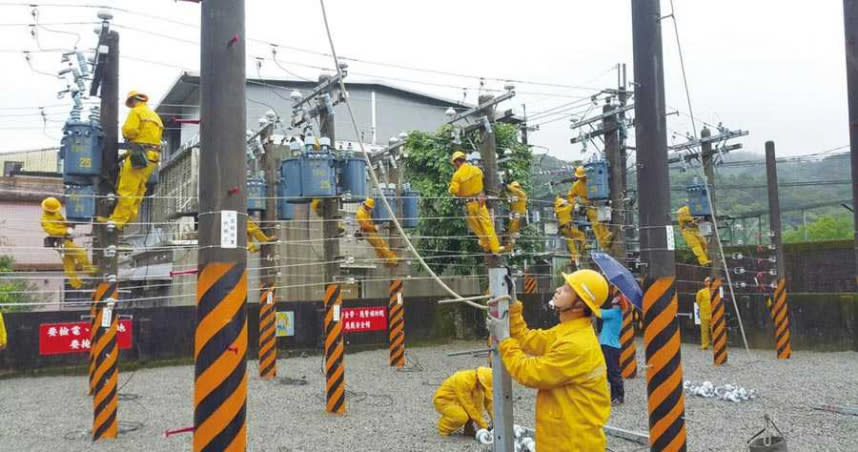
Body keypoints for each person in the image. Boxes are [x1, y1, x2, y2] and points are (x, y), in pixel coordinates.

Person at [486, 269, 611, 451]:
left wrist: (504, 339)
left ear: (579, 305)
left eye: (568, 289)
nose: (559, 289)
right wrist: (512, 304)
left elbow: (529, 373)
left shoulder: (576, 344)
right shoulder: (568, 331)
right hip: (561, 439)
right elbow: (527, 339)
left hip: (573, 444)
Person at [99, 91, 164, 230]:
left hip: (138, 155)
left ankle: (117, 220)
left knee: (127, 189)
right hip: (153, 157)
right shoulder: (155, 116)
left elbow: (130, 131)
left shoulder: (136, 112)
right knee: (139, 189)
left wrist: (125, 134)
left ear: (134, 100)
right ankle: (128, 218)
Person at [448, 151, 502, 254]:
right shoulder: (476, 170)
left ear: (457, 162)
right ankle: (495, 248)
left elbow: (454, 190)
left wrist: (452, 189)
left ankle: (486, 246)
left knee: (477, 228)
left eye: (454, 163)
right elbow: (482, 180)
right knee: (487, 225)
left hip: (469, 204)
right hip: (480, 202)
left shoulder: (457, 175)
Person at [40, 197, 94, 289]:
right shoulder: (44, 219)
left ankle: (76, 284)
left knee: (69, 264)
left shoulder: (56, 213)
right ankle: (91, 273)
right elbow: (52, 231)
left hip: (64, 240)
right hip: (60, 241)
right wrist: (66, 231)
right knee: (81, 254)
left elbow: (62, 222)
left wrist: (69, 224)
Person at [433, 366, 493, 437]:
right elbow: (469, 406)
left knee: (478, 401)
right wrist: (485, 426)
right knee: (460, 417)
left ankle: (469, 429)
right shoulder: (463, 380)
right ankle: (443, 429)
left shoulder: (480, 384)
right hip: (445, 401)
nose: (484, 388)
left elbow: (490, 404)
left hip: (460, 401)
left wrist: (496, 422)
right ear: (479, 380)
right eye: (483, 386)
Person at [567, 166, 612, 250]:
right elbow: (570, 196)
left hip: (600, 203)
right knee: (596, 224)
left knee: (603, 222)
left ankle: (606, 238)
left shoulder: (593, 181)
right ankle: (604, 244)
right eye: (581, 177)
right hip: (589, 206)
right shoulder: (577, 185)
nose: (583, 178)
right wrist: (575, 204)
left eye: (583, 177)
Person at [355, 198, 399, 267]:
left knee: (379, 247)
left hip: (370, 232)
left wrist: (374, 228)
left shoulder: (365, 211)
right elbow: (364, 225)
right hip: (368, 233)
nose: (370, 209)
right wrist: (374, 227)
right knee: (381, 246)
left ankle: (386, 261)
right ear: (366, 205)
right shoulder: (360, 213)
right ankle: (392, 260)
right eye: (369, 207)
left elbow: (367, 223)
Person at [599, 290, 624, 405]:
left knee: (613, 372)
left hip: (610, 347)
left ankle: (618, 396)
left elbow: (597, 312)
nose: (614, 298)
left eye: (617, 297)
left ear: (619, 301)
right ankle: (615, 396)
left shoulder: (614, 312)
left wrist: (591, 301)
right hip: (609, 346)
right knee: (611, 372)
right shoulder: (615, 313)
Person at [554, 196, 586, 262]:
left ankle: (574, 257)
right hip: (569, 227)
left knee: (570, 242)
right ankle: (582, 250)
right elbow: (573, 205)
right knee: (581, 236)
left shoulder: (557, 210)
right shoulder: (566, 208)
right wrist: (574, 200)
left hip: (563, 229)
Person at [504, 181, 528, 248]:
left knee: (513, 231)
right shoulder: (513, 195)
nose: (515, 189)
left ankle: (510, 246)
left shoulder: (521, 194)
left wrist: (506, 186)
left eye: (516, 187)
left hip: (519, 215)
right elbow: (507, 198)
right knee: (511, 230)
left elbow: (515, 190)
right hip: (515, 215)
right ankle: (508, 245)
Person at [696, 276, 713, 349]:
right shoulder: (701, 292)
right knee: (704, 330)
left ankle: (716, 344)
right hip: (704, 314)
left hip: (713, 314)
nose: (708, 282)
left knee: (714, 330)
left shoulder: (715, 291)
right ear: (704, 283)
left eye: (709, 281)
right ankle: (704, 345)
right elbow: (698, 301)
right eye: (707, 281)